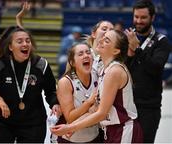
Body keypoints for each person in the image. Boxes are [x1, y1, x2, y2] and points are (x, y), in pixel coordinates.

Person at [51, 30, 143, 143]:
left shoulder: (114, 71)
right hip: (112, 130)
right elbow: (95, 109)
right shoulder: (103, 70)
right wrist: (72, 126)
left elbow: (101, 113)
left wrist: (71, 127)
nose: (101, 40)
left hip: (124, 129)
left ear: (116, 50)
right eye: (103, 37)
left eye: (107, 40)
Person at [0, 26, 59, 143]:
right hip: (4, 121)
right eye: (19, 41)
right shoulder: (0, 65)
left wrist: (55, 103)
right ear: (10, 47)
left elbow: (51, 91)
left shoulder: (41, 65)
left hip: (33, 123)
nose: (25, 44)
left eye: (28, 41)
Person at [125, 0, 171, 142]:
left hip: (148, 108)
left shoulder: (161, 41)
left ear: (153, 18)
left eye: (143, 17)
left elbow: (155, 68)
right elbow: (121, 69)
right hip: (126, 106)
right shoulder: (127, 38)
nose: (138, 21)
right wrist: (129, 54)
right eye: (136, 17)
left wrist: (138, 50)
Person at [56, 42, 101, 143]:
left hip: (95, 137)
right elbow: (70, 117)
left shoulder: (98, 74)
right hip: (71, 140)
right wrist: (89, 102)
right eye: (80, 54)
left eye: (88, 53)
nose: (86, 55)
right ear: (72, 62)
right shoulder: (66, 82)